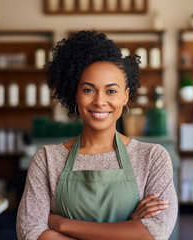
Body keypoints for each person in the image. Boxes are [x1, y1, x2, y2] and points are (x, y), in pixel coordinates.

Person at [17, 30, 178, 240]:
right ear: (75, 94)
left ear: (125, 96)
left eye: (111, 91)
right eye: (88, 90)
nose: (100, 101)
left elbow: (155, 233)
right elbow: (30, 232)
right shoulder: (47, 159)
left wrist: (61, 223)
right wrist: (129, 227)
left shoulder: (153, 158)